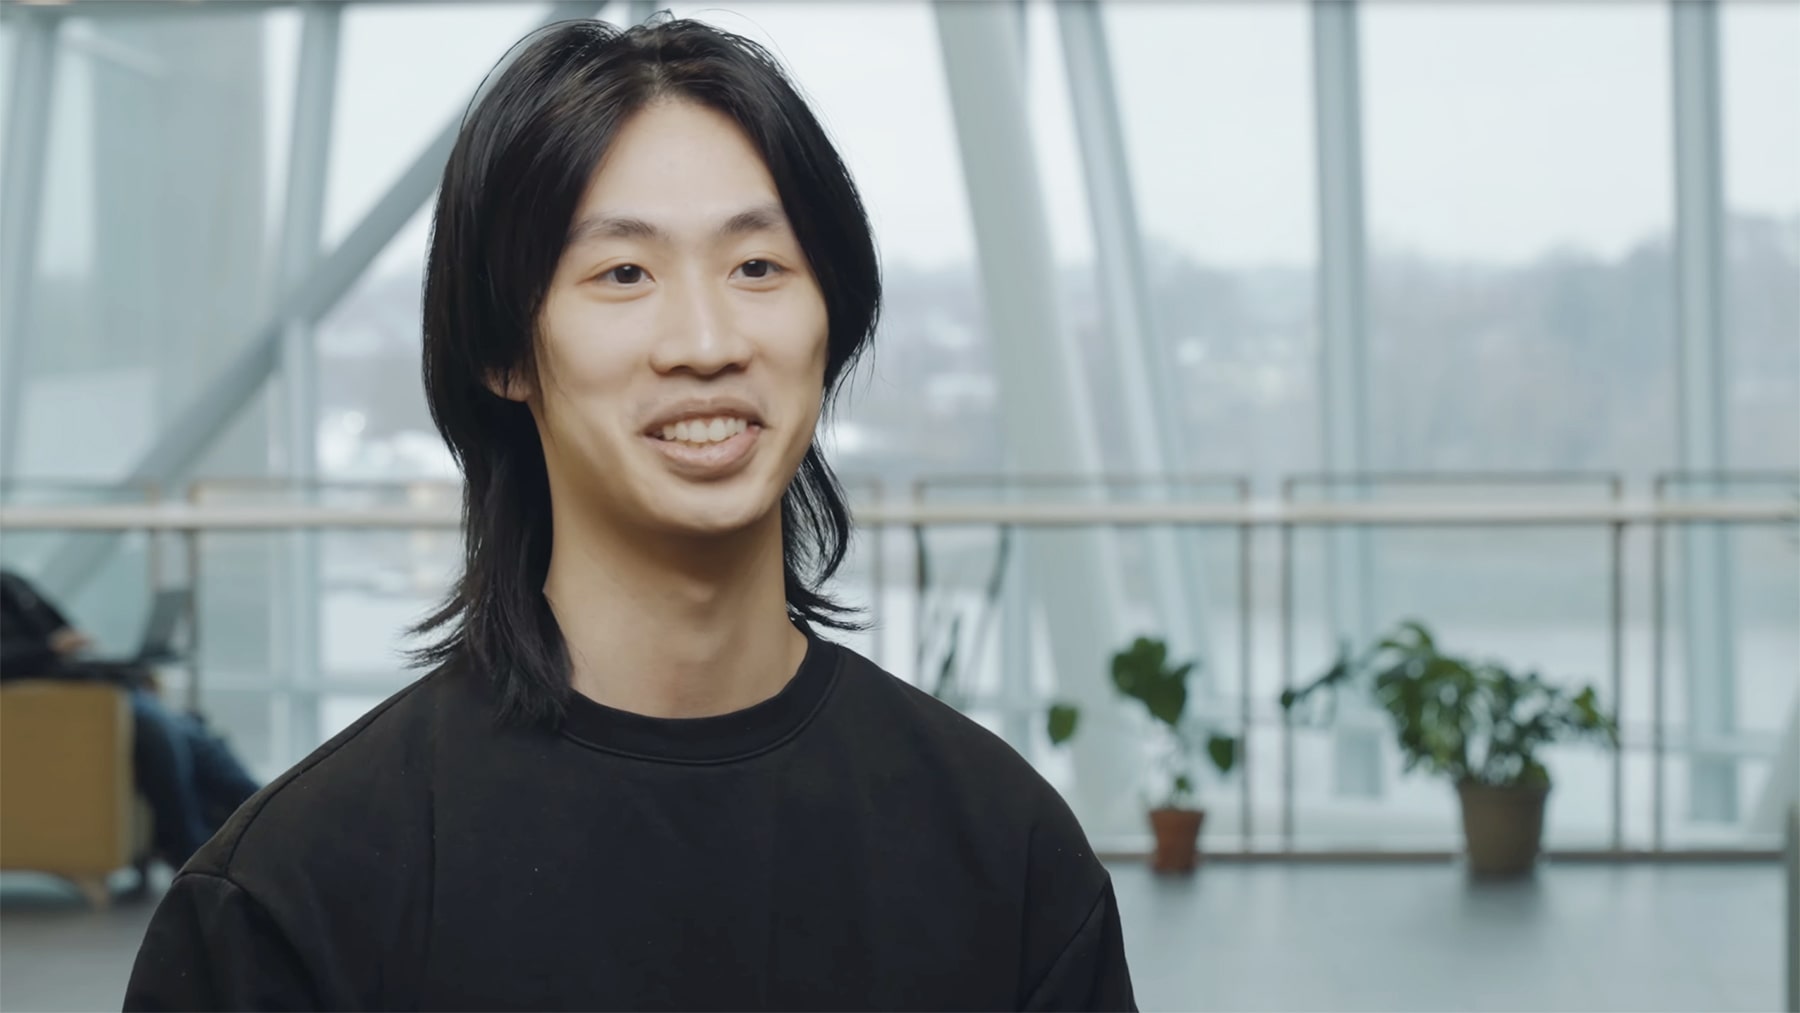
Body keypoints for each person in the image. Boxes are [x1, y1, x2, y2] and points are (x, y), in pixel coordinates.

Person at [125, 16, 1135, 1011]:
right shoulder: (289, 899)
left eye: (757, 267)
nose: (704, 341)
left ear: (833, 316)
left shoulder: (1008, 855)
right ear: (504, 351)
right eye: (623, 273)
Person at [0, 570, 261, 871]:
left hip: (93, 690)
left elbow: (70, 634)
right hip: (70, 706)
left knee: (198, 735)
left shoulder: (13, 583)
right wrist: (48, 648)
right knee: (164, 733)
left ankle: (261, 818)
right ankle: (190, 847)